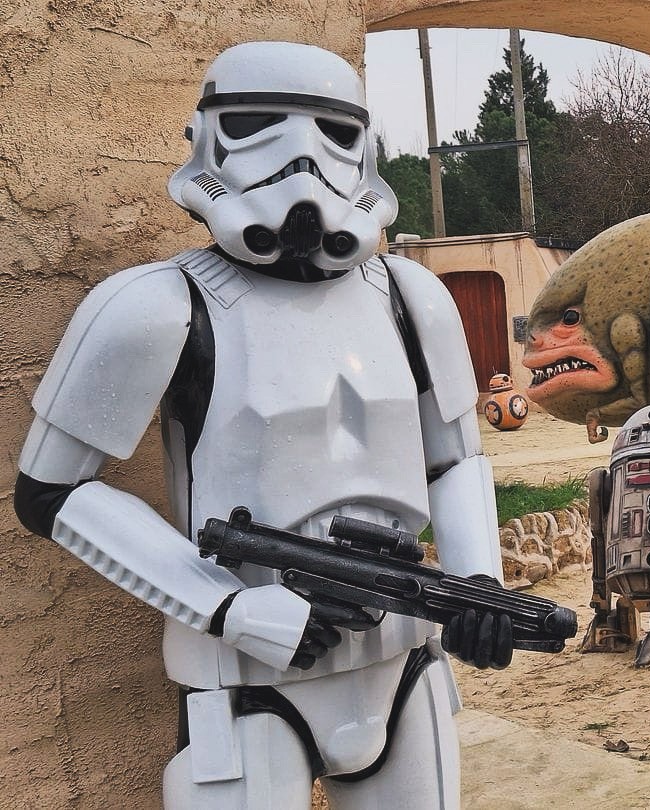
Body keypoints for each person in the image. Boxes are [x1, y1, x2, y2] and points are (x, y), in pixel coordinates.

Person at [14, 41, 510, 809]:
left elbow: (454, 461)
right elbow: (51, 492)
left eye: (332, 132)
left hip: (404, 665)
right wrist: (230, 608)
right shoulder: (157, 306)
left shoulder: (412, 298)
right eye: (257, 125)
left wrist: (480, 583)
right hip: (244, 678)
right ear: (208, 139)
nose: (301, 159)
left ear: (364, 148)